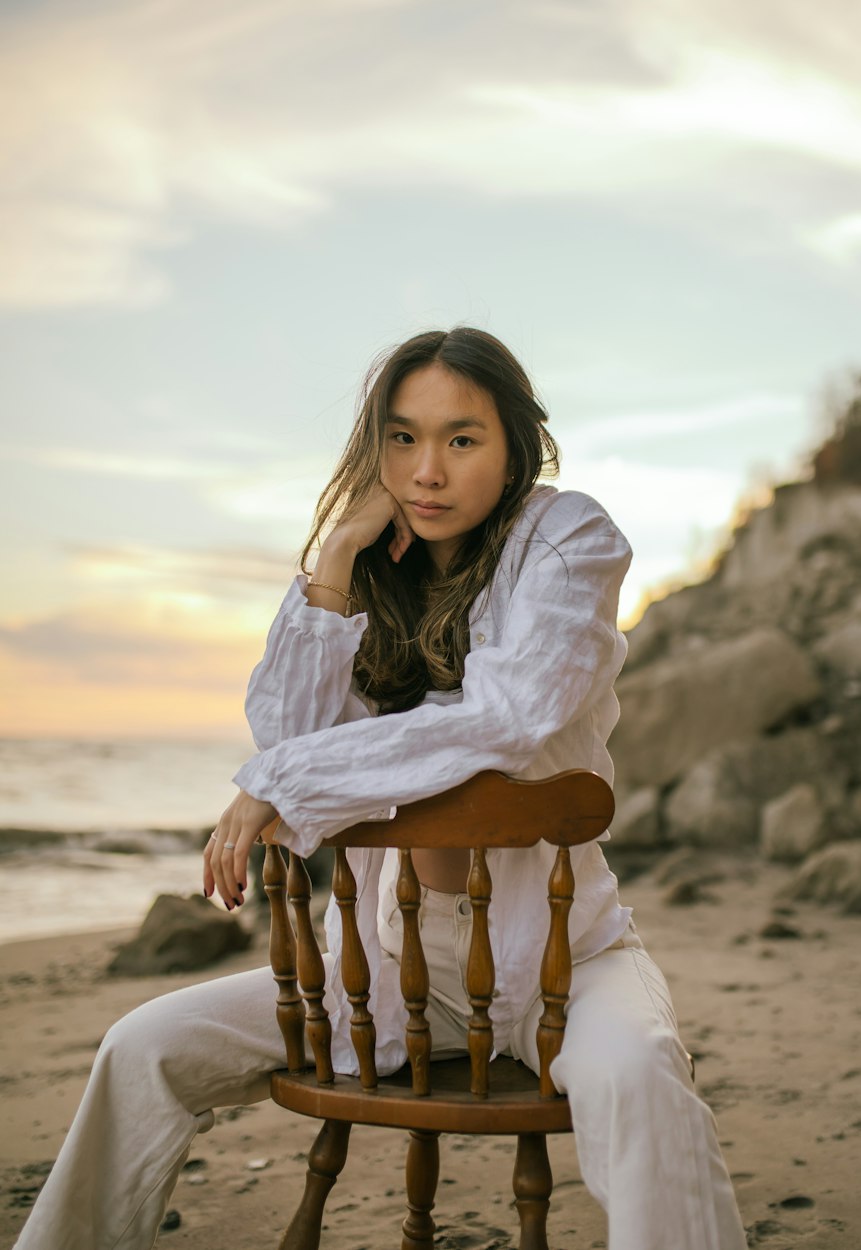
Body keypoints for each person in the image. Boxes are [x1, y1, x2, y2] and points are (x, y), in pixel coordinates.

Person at [15, 327, 746, 1250]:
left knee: (642, 1072)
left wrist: (287, 779)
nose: (427, 471)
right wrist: (331, 569)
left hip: (554, 969)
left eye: (461, 438)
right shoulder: (360, 572)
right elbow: (282, 737)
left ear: (515, 443)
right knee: (141, 1048)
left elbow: (508, 720)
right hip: (378, 972)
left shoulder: (569, 539)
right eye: (402, 438)